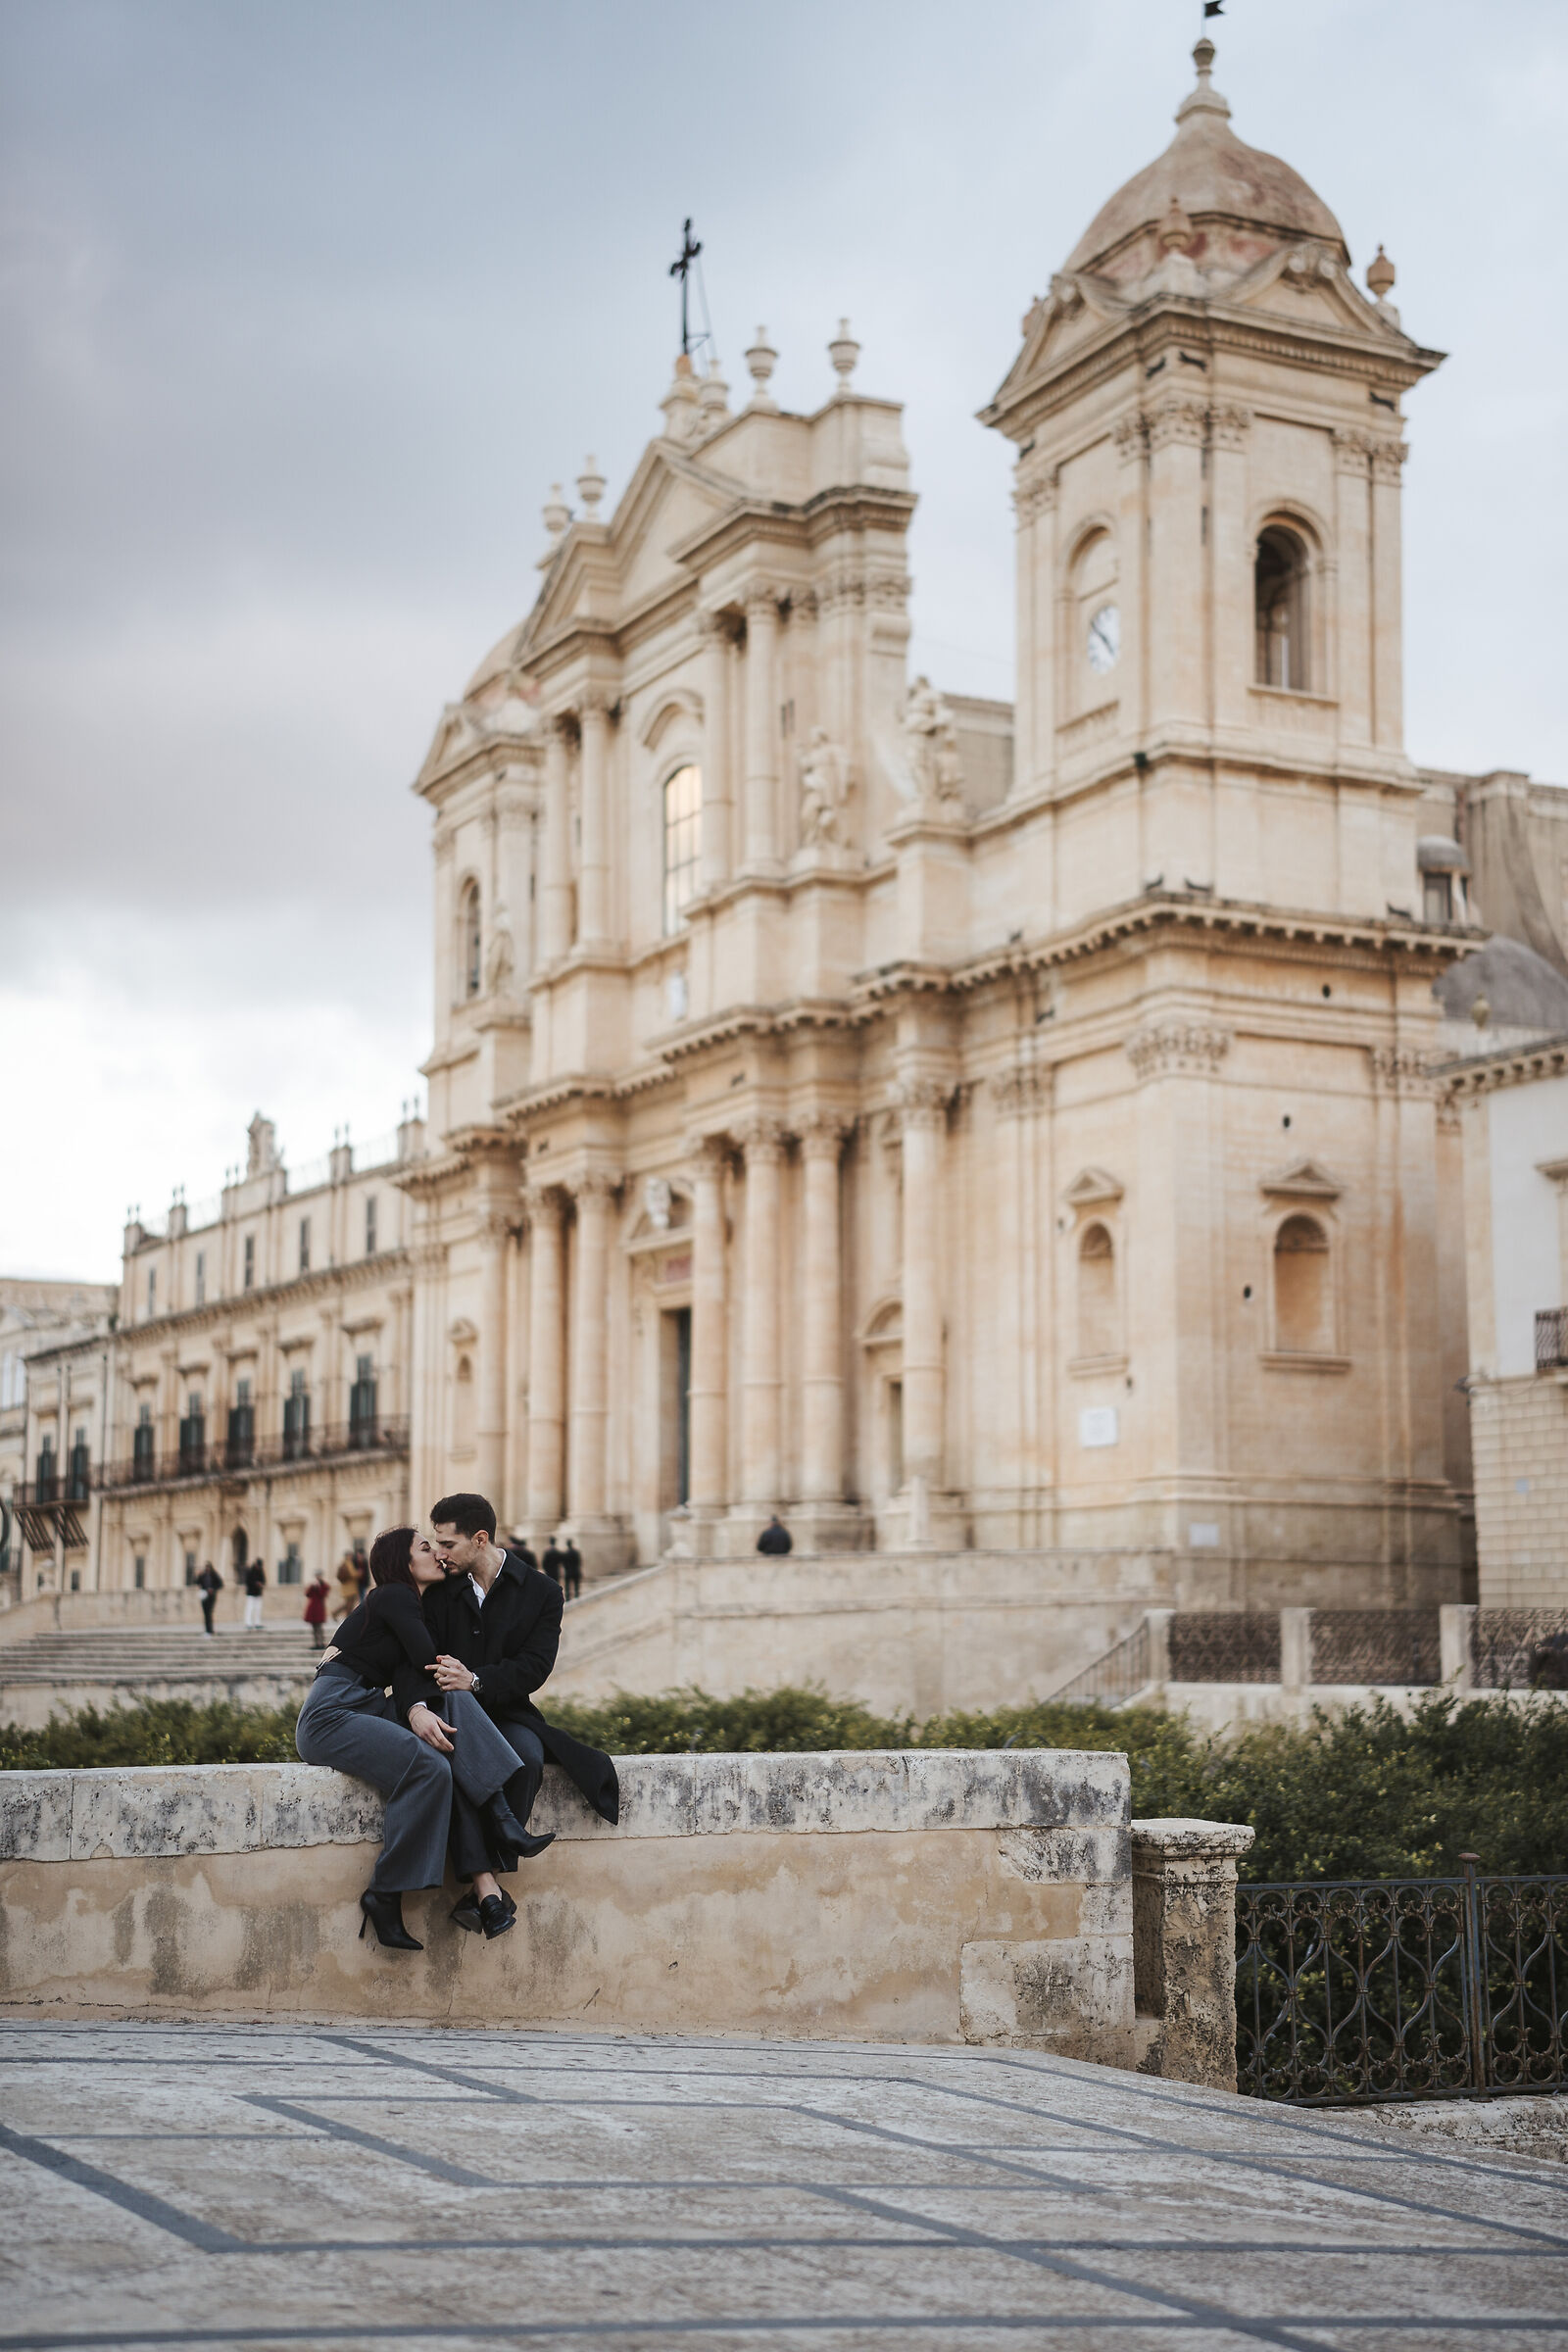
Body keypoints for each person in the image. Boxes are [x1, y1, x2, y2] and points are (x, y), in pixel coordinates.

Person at [297, 1525, 537, 1947]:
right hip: (331, 1714)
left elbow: (421, 1674)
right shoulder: (394, 1595)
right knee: (429, 1766)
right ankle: (384, 1894)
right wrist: (439, 1681)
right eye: (426, 1548)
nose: (438, 1556)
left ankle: (500, 1816)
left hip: (365, 1703)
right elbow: (427, 1662)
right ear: (402, 1563)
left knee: (454, 1702)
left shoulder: (407, 1605)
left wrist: (422, 1702)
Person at [404, 1492, 618, 1936]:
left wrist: (477, 1680)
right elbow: (419, 1657)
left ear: (480, 1539)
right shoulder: (440, 1588)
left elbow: (535, 1667)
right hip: (450, 1713)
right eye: (436, 1543)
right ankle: (489, 1896)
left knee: (527, 1761)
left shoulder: (542, 1592)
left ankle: (485, 1889)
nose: (439, 1554)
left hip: (507, 1711)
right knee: (456, 1764)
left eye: (447, 1545)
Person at [303, 1571, 331, 1649]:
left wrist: (319, 1587)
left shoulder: (324, 1585)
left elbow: (323, 1594)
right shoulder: (313, 1585)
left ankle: (321, 1642)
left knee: (319, 1626)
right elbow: (307, 1594)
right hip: (313, 1607)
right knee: (314, 1626)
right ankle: (316, 1643)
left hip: (319, 1607)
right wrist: (312, 1587)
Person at [196, 1560, 222, 1638]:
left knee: (209, 1613)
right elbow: (198, 1582)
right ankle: (207, 1630)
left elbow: (220, 1584)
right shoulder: (203, 1575)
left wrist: (213, 1589)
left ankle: (210, 1630)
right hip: (204, 1596)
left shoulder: (214, 1575)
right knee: (206, 1614)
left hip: (211, 1596)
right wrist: (198, 1575)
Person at [331, 1555, 358, 1622]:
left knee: (348, 1604)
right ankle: (341, 1615)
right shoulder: (349, 1563)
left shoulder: (343, 1563)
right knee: (349, 1604)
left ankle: (337, 1614)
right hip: (350, 1588)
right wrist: (359, 1573)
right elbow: (353, 1574)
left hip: (345, 1588)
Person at [243, 1557, 267, 1628]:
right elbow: (248, 1581)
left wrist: (261, 1584)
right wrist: (255, 1584)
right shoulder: (250, 1571)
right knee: (250, 1608)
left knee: (258, 1608)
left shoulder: (261, 1571)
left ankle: (257, 1622)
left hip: (258, 1593)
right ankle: (248, 1622)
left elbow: (264, 1580)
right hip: (251, 1593)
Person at [562, 1536, 583, 1600]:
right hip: (575, 1570)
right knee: (576, 1585)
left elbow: (564, 1563)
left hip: (568, 1571)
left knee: (568, 1586)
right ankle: (576, 1596)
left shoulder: (565, 1553)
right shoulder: (576, 1552)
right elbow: (579, 1561)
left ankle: (568, 1597)